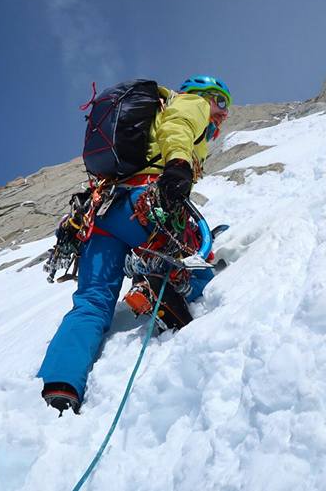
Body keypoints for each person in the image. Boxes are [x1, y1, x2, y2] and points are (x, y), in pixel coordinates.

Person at [38, 75, 232, 415]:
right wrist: (178, 164)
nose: (222, 114)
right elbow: (179, 126)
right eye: (221, 102)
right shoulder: (189, 103)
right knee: (196, 262)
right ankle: (155, 279)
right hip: (142, 203)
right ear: (206, 95)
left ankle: (61, 382)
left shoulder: (143, 122)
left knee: (92, 302)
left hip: (100, 215)